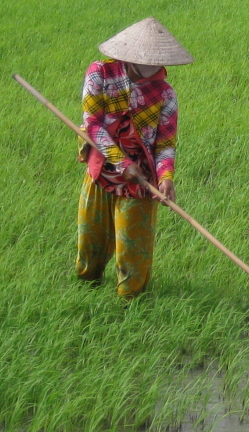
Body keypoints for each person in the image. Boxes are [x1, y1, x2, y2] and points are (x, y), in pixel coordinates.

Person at [76, 17, 194, 297]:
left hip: (140, 180)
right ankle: (85, 288)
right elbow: (93, 124)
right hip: (101, 170)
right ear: (130, 56)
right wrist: (120, 161)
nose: (154, 66)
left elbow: (165, 142)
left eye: (159, 60)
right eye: (148, 59)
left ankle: (131, 302)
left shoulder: (166, 94)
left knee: (134, 248)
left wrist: (165, 177)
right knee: (91, 238)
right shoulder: (100, 74)